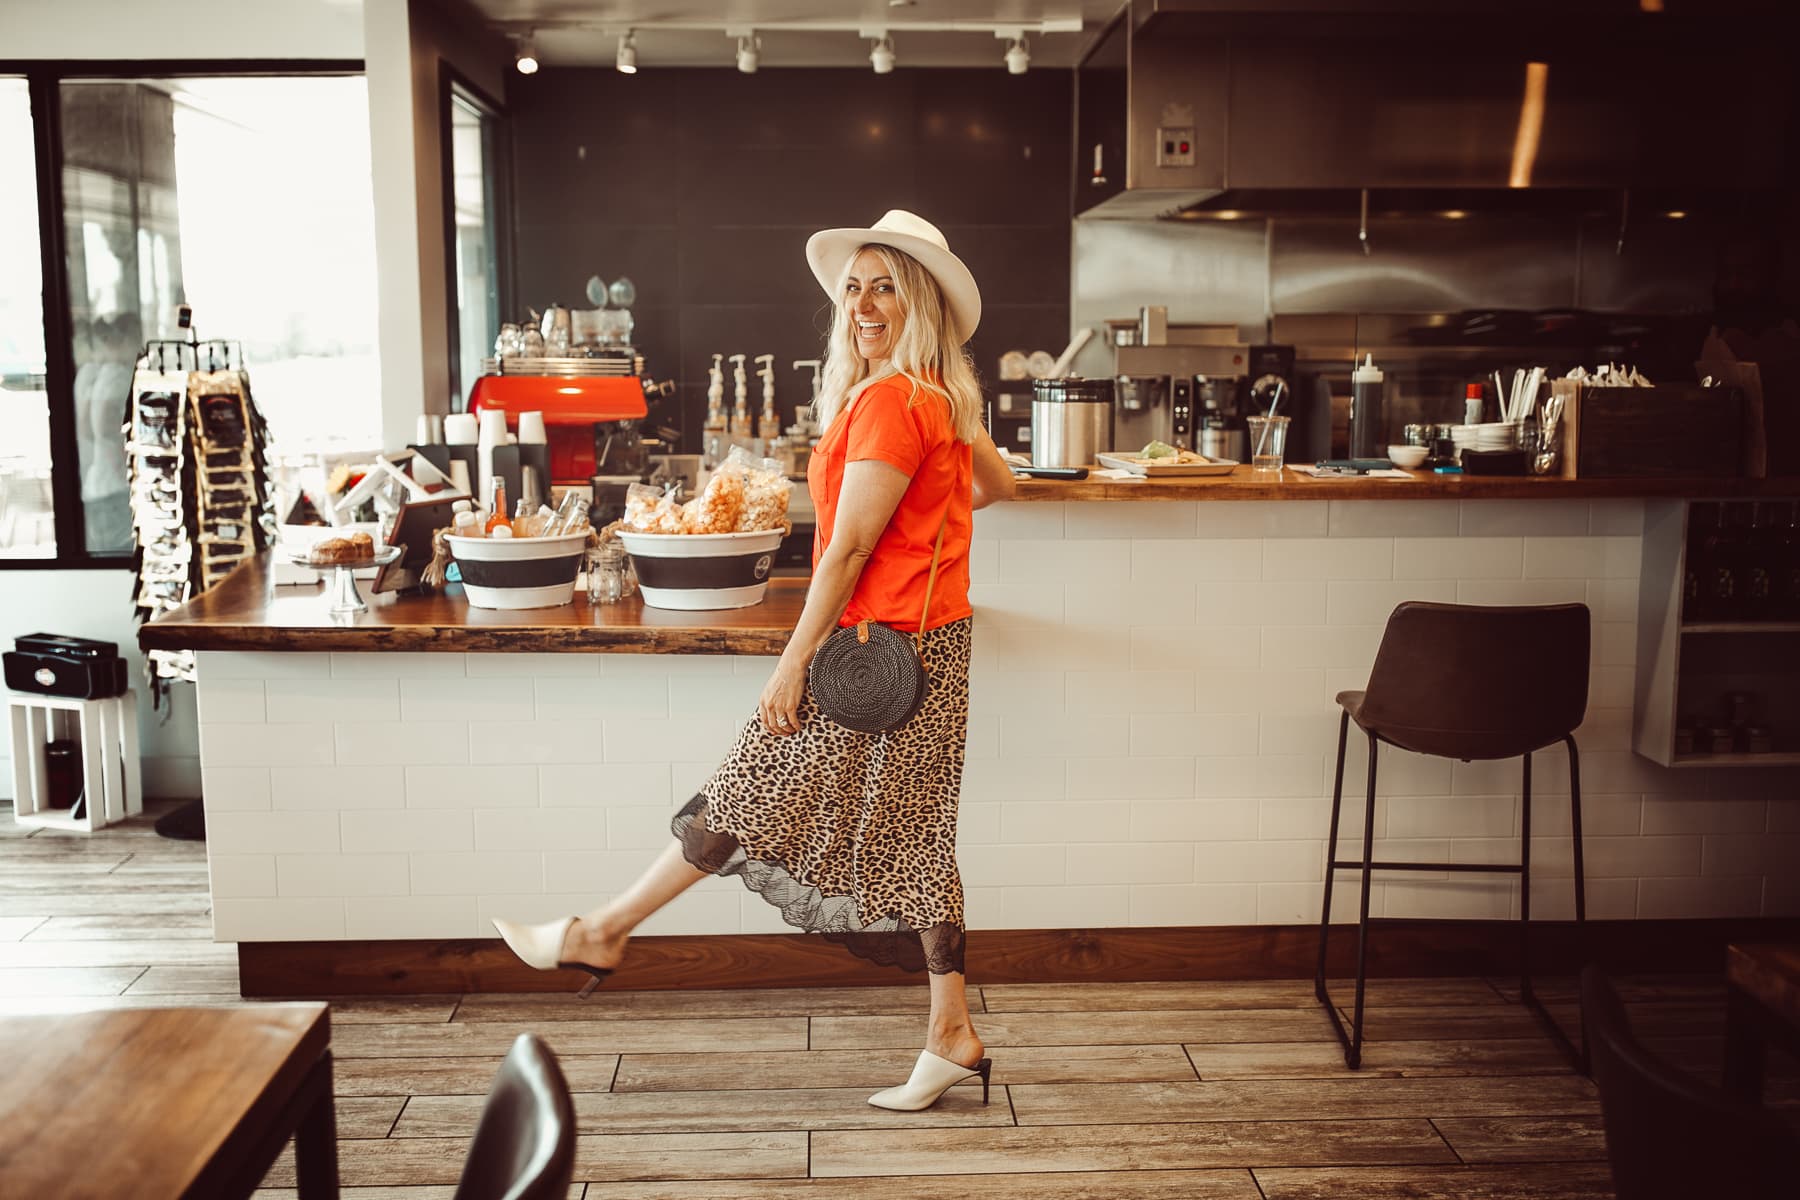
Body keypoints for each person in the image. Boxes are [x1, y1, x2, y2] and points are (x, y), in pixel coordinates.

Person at [493, 210, 1017, 1111]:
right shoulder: (932, 397)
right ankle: (951, 1033)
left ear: (921, 299)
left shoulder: (896, 401)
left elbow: (847, 551)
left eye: (885, 285)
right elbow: (998, 485)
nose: (862, 304)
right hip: (930, 648)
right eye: (852, 287)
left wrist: (788, 665)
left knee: (753, 788)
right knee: (912, 830)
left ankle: (603, 931)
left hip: (875, 655)